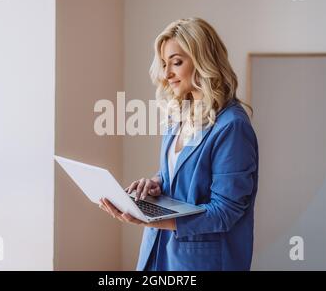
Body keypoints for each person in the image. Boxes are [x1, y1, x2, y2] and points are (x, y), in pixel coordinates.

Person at [99, 17, 259, 271]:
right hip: (159, 251)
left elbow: (225, 211)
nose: (166, 74)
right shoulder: (180, 114)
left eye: (176, 62)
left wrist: (149, 219)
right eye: (164, 64)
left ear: (204, 61)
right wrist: (156, 183)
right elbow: (177, 174)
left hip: (201, 262)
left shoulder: (232, 126)